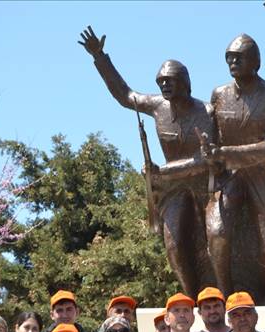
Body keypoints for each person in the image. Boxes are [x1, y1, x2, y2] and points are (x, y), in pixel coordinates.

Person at [79, 26, 215, 299]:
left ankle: (216, 297)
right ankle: (191, 301)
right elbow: (124, 95)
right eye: (160, 81)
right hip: (173, 189)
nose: (164, 85)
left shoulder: (206, 112)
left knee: (209, 245)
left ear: (185, 82)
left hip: (205, 186)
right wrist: (100, 58)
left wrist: (161, 170)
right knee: (174, 245)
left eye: (169, 80)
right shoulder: (157, 107)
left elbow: (205, 159)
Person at [206, 33, 265, 298]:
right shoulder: (219, 94)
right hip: (229, 176)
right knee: (217, 232)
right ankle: (225, 296)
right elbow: (213, 136)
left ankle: (263, 293)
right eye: (229, 57)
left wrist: (226, 152)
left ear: (256, 62)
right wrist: (211, 155)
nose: (232, 62)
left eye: (238, 57)